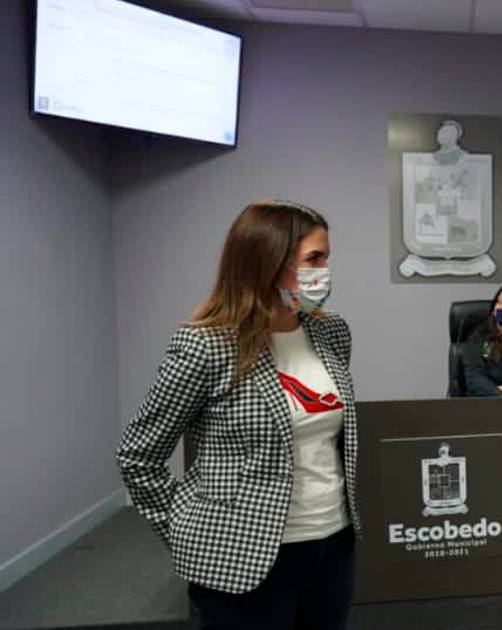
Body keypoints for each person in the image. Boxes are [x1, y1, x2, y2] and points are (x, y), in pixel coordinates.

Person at [116, 199, 359, 630]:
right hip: (243, 558)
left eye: (326, 258)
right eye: (314, 259)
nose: (324, 270)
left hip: (333, 547)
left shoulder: (331, 332)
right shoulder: (207, 346)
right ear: (268, 261)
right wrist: (188, 533)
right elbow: (139, 456)